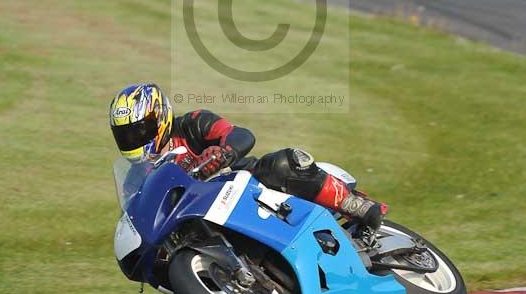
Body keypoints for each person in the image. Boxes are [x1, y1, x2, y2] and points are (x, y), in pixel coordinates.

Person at [109, 83, 386, 231]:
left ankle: (351, 204)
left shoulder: (192, 124)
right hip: (206, 218)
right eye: (126, 135)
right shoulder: (136, 176)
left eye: (139, 130)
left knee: (280, 163)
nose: (134, 140)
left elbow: (240, 134)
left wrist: (223, 151)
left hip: (248, 186)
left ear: (160, 116)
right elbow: (140, 219)